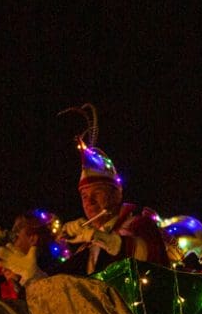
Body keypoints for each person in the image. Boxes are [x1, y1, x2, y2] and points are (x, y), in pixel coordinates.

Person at [55, 104, 165, 273]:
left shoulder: (140, 224)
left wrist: (98, 236)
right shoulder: (84, 247)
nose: (90, 202)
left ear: (117, 194)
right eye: (84, 196)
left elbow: (149, 257)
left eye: (97, 193)